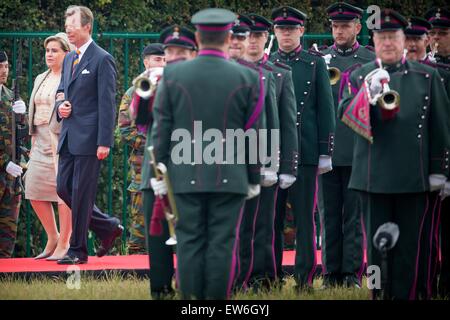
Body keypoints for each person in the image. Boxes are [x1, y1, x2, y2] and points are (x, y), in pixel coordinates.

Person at [149, 8, 263, 299]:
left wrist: (158, 172)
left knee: (189, 243)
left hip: (184, 175)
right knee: (223, 245)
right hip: (231, 177)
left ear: (197, 37)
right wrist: (253, 177)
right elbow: (254, 133)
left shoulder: (173, 74)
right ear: (228, 37)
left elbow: (162, 129)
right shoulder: (249, 77)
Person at [338, 9, 450, 300]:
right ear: (373, 41)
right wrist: (367, 92)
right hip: (372, 179)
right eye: (381, 37)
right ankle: (378, 295)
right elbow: (344, 114)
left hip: (413, 179)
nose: (387, 42)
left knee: (409, 250)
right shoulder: (360, 75)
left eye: (393, 37)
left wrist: (441, 170)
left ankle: (408, 294)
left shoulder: (427, 76)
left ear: (403, 39)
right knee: (376, 252)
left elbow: (440, 125)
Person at [270, 5, 336, 291]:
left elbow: (325, 109)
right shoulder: (268, 63)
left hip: (306, 152)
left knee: (305, 221)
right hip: (272, 152)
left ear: (301, 31)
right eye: (281, 29)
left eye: (291, 29)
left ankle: (304, 279)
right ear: (275, 32)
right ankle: (269, 275)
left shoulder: (314, 63)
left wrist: (325, 151)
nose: (286, 34)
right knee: (270, 220)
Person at [55, 5, 123, 265]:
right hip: (69, 137)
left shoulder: (102, 58)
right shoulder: (70, 58)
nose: (67, 29)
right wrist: (60, 107)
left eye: (72, 24)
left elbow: (107, 103)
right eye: (66, 23)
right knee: (63, 188)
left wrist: (104, 141)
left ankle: (77, 250)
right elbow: (61, 93)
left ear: (87, 27)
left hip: (90, 139)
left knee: (82, 194)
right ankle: (108, 226)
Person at [236, 13, 298, 290]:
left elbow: (284, 123)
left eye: (257, 36)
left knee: (263, 226)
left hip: (262, 162)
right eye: (246, 36)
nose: (251, 41)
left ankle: (263, 278)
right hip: (230, 162)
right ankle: (237, 277)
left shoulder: (278, 74)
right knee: (236, 227)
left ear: (265, 39)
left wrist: (281, 165)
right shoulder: (227, 72)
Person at [318, 2, 375, 288]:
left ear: (357, 27)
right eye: (335, 26)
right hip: (328, 150)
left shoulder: (369, 60)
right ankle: (330, 273)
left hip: (357, 148)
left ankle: (352, 271)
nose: (339, 31)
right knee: (328, 214)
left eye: (345, 26)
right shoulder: (321, 59)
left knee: (353, 216)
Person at [138, 25, 197, 299]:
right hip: (156, 167)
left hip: (191, 165)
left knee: (189, 232)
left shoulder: (201, 79)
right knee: (157, 233)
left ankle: (189, 287)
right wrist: (146, 90)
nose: (173, 56)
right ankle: (160, 288)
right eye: (169, 51)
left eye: (180, 51)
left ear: (193, 53)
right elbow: (139, 122)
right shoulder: (153, 80)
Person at [404, 16, 450, 299]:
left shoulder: (440, 74)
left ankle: (434, 284)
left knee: (434, 233)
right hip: (409, 164)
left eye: (441, 33)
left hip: (436, 161)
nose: (411, 44)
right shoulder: (397, 71)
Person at [25, 33, 73, 260]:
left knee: (63, 192)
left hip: (60, 139)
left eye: (55, 50)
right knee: (33, 188)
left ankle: (65, 240)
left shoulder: (70, 77)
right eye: (47, 51)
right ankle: (52, 237)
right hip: (40, 138)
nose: (49, 54)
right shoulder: (40, 77)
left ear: (66, 53)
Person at [118, 43, 165, 255]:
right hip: (142, 164)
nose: (161, 64)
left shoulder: (172, 87)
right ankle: (134, 260)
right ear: (146, 62)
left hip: (171, 163)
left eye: (164, 60)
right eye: (157, 59)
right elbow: (125, 130)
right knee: (140, 217)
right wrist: (153, 143)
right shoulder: (134, 91)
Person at [425, 6, 450, 298]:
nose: (436, 38)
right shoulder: (422, 69)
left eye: (442, 33)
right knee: (427, 230)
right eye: (433, 33)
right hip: (428, 162)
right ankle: (430, 282)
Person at [0, 50, 27, 258]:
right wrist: (3, 162)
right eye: (0, 67)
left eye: (6, 67)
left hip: (11, 174)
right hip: (4, 167)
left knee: (8, 228)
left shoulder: (10, 96)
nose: (3, 71)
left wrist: (23, 116)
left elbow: (22, 136)